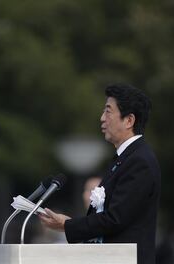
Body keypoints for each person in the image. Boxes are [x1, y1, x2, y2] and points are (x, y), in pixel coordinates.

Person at [39, 84, 161, 264]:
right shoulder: (125, 159)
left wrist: (67, 225)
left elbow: (115, 218)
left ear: (129, 120)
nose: (102, 118)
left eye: (108, 112)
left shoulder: (139, 161)